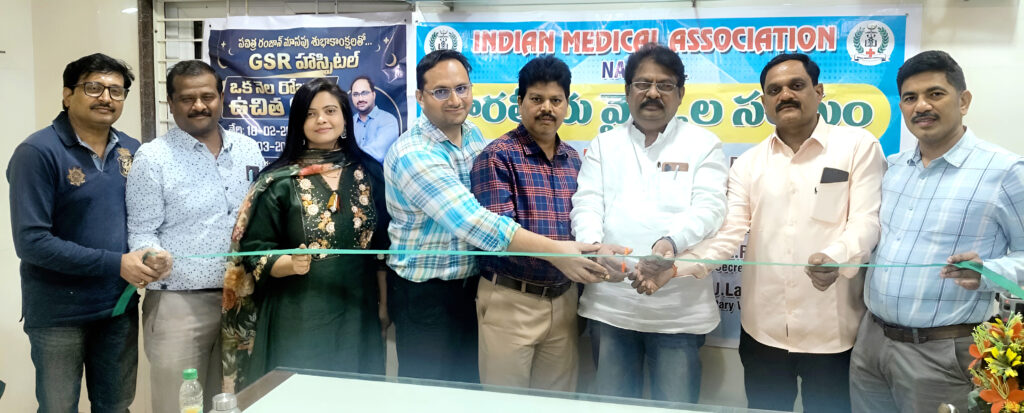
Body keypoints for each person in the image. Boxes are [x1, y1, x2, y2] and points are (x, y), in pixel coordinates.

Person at [639, 53, 885, 412]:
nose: (785, 95)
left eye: (796, 86)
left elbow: (866, 221)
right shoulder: (749, 164)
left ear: (818, 91)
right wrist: (676, 268)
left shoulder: (857, 146)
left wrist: (836, 257)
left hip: (833, 334)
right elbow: (728, 235)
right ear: (764, 102)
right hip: (763, 333)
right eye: (774, 90)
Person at [384, 49, 615, 383]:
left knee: (471, 394)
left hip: (473, 286)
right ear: (420, 96)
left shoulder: (472, 134)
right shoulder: (415, 153)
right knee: (430, 393)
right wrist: (558, 253)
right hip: (429, 294)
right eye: (441, 91)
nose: (455, 99)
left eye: (461, 88)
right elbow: (475, 222)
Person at [850, 50, 1024, 413]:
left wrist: (989, 272)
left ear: (964, 101)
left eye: (935, 94)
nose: (921, 106)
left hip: (942, 353)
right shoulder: (894, 167)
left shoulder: (1005, 171)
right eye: (910, 97)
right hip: (871, 342)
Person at [570, 42, 729, 403]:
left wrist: (670, 243)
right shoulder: (604, 145)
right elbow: (587, 204)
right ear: (627, 91)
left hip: (678, 314)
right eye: (643, 84)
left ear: (681, 94)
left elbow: (710, 207)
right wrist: (596, 248)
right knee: (612, 407)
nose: (653, 93)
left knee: (674, 407)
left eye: (665, 85)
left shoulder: (704, 144)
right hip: (610, 307)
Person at [221, 78, 388, 391]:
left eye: (330, 111)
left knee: (355, 396)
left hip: (358, 312)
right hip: (297, 315)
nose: (321, 119)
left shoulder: (370, 172)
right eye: (310, 114)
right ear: (299, 123)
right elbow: (252, 250)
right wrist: (287, 263)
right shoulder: (278, 181)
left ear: (345, 117)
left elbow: (382, 247)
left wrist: (384, 305)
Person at [7, 53, 148, 412]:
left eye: (116, 91)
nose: (106, 98)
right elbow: (32, 243)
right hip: (58, 314)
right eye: (94, 87)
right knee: (58, 408)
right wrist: (117, 263)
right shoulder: (37, 152)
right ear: (67, 95)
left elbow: (145, 221)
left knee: (116, 407)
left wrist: (151, 256)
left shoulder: (133, 150)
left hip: (117, 308)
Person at [126, 60, 265, 412]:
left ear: (222, 97)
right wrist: (151, 255)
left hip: (242, 300)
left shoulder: (248, 149)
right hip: (179, 304)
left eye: (207, 96)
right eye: (187, 99)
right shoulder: (153, 158)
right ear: (172, 103)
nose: (199, 105)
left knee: (237, 401)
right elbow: (141, 230)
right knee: (179, 404)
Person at [470, 56, 586, 391]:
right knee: (505, 403)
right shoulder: (497, 156)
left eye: (556, 100)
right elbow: (498, 235)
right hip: (510, 299)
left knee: (557, 402)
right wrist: (560, 255)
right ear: (520, 102)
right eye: (537, 99)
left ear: (567, 105)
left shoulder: (573, 160)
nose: (547, 108)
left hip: (563, 300)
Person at [350, 75, 400, 163]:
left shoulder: (388, 120)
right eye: (356, 94)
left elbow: (378, 153)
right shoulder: (349, 122)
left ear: (373, 95)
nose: (360, 98)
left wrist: (348, 157)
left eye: (364, 93)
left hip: (379, 171)